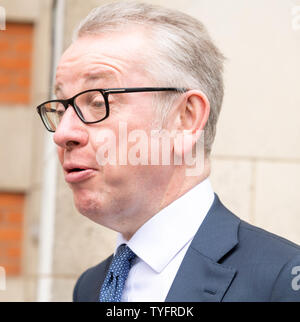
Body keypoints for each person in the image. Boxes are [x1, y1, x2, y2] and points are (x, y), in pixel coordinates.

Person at [36, 1, 300, 302]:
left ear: (186, 118)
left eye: (97, 102)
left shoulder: (282, 281)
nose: (62, 133)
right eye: (60, 108)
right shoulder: (89, 287)